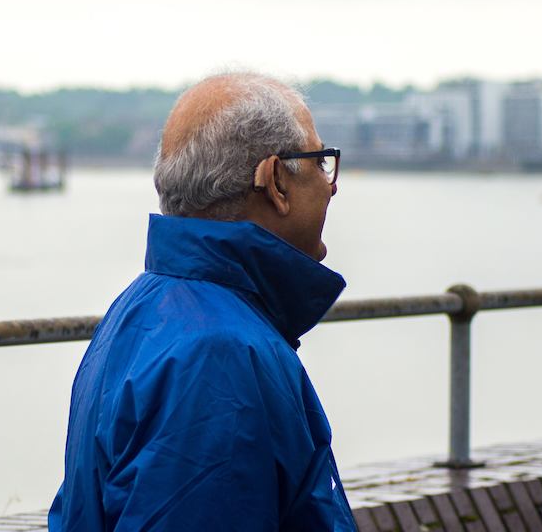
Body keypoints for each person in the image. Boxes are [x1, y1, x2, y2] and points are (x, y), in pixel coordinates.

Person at [49, 72, 355, 531]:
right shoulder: (220, 355)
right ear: (274, 181)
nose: (331, 186)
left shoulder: (140, 309)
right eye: (319, 162)